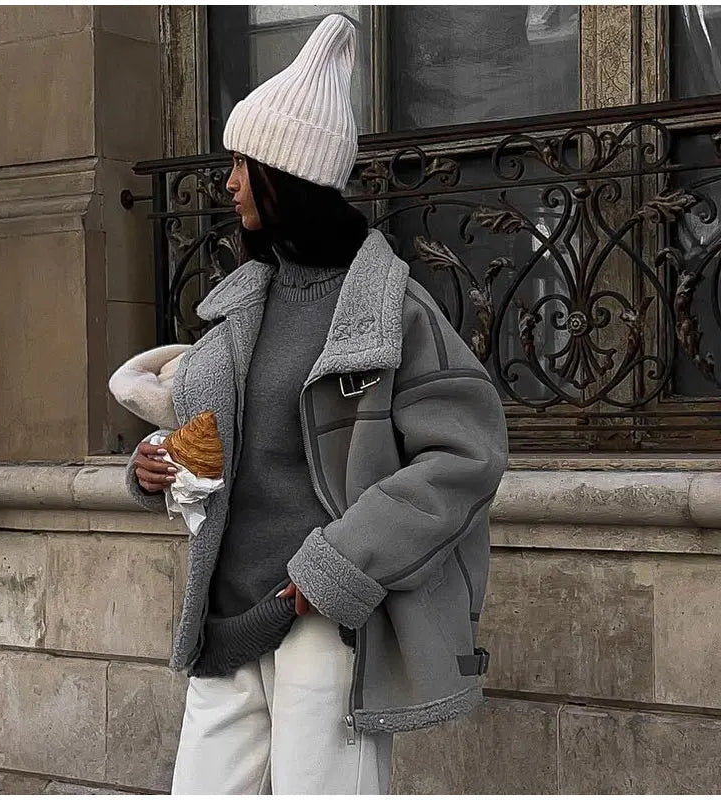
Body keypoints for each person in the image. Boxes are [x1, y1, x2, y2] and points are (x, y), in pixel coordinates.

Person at [126, 14, 508, 795]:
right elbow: (215, 443)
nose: (228, 182)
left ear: (285, 173)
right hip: (225, 614)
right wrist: (153, 469)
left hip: (322, 621)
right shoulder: (237, 308)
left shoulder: (391, 311)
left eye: (243, 164)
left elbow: (467, 457)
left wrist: (335, 569)